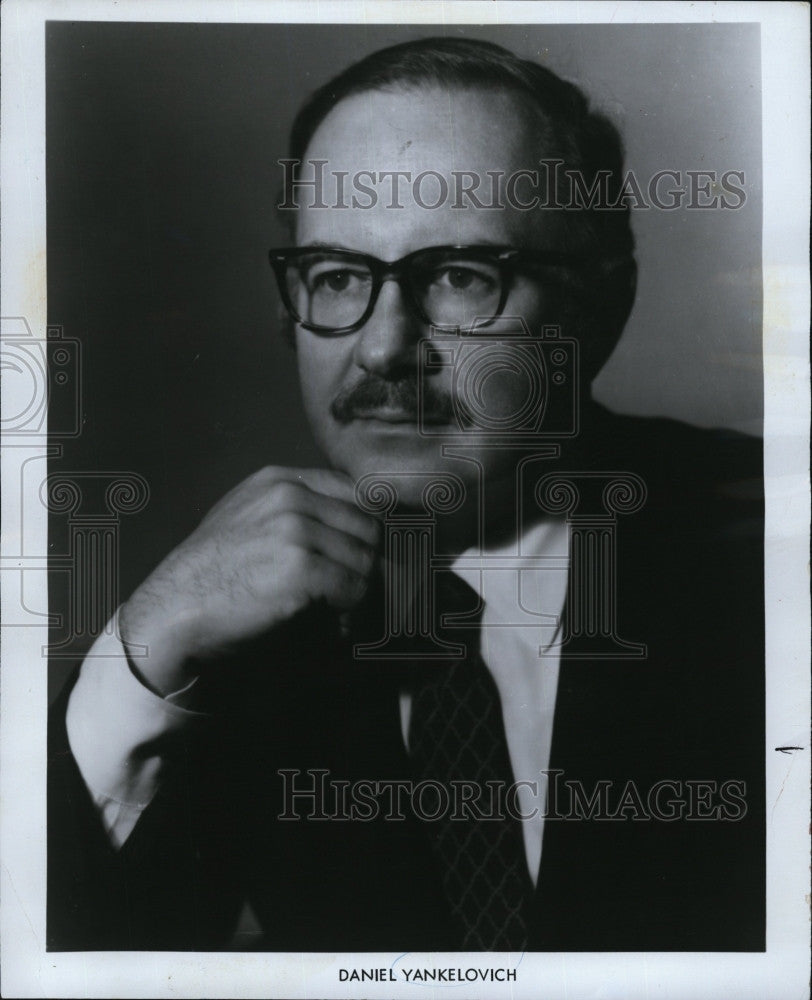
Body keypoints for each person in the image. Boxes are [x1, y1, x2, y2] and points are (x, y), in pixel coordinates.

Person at [48, 37, 764, 952]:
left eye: (461, 278)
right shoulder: (235, 640)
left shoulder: (770, 560)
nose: (384, 349)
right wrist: (138, 657)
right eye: (339, 277)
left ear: (601, 308)